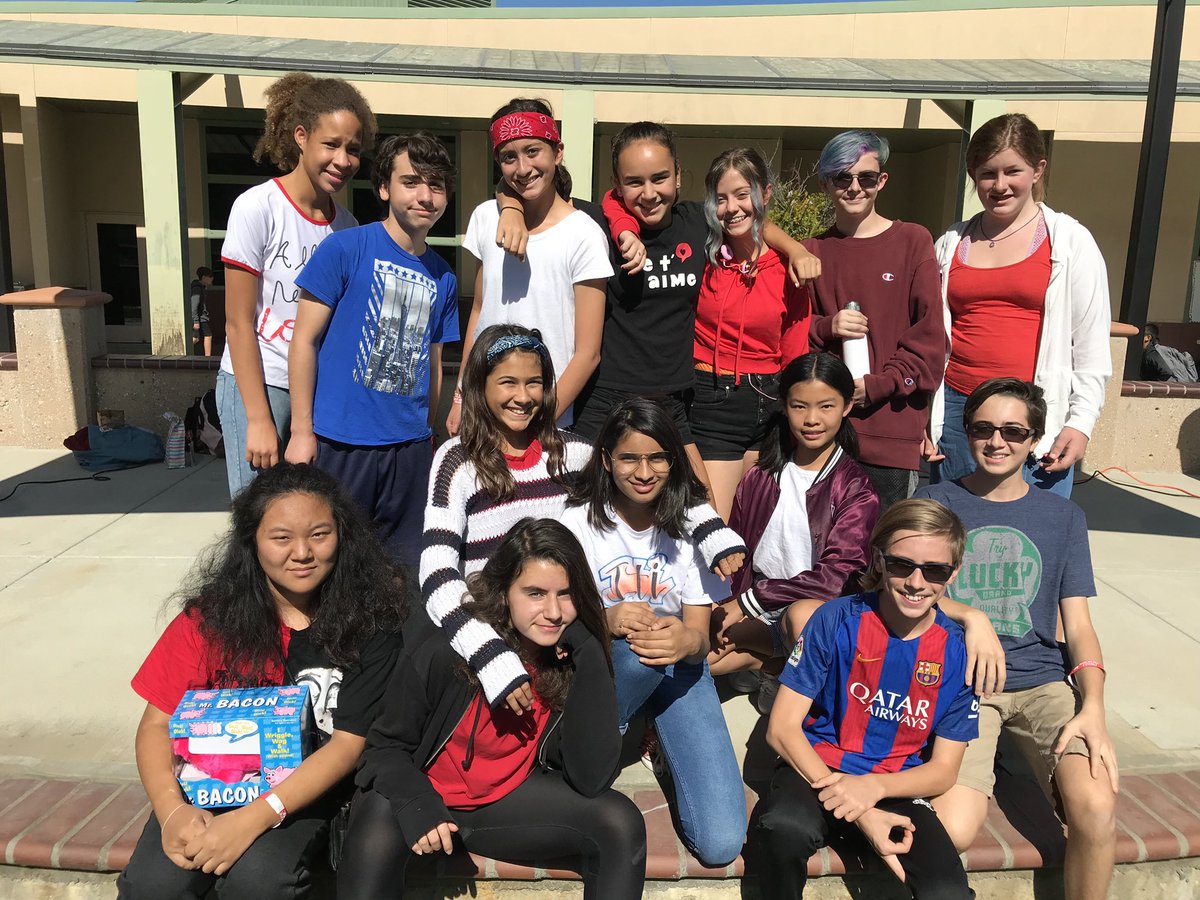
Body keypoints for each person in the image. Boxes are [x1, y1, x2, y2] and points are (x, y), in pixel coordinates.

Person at [116, 463, 407, 899]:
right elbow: (157, 724)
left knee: (258, 880)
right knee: (153, 884)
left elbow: (348, 744)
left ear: (342, 534)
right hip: (204, 787)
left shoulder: (370, 622)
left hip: (304, 793)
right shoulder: (208, 620)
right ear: (251, 540)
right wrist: (171, 810)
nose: (302, 552)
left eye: (320, 534)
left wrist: (253, 818)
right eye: (281, 538)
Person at [421, 324, 746, 712]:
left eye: (534, 383)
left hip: (556, 628)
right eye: (508, 382)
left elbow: (647, 481)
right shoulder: (456, 461)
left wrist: (710, 529)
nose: (523, 397)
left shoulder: (570, 453)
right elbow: (436, 573)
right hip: (490, 633)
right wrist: (489, 653)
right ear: (479, 386)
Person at [339, 519, 646, 899]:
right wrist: (418, 805)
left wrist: (589, 651)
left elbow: (591, 779)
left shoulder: (567, 659)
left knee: (620, 821)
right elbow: (384, 749)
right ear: (504, 594)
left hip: (503, 802)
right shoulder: (448, 650)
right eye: (535, 593)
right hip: (420, 795)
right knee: (375, 814)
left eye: (565, 594)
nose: (553, 611)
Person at [916, 378, 1117, 900]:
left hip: (1043, 684)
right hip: (964, 686)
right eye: (983, 428)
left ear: (1034, 439)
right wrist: (971, 616)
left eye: (1013, 431)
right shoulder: (937, 501)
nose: (996, 441)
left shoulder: (1063, 517)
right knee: (953, 830)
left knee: (1096, 808)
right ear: (966, 432)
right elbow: (900, 589)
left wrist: (1093, 707)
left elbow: (1078, 625)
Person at [748, 499, 979, 899]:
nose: (916, 582)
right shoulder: (835, 620)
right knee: (782, 830)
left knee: (947, 891)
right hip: (816, 769)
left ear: (954, 572)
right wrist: (862, 811)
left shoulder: (959, 652)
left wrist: (872, 790)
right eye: (901, 565)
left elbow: (943, 770)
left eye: (935, 570)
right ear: (879, 559)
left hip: (894, 784)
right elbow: (782, 729)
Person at [571, 123, 820, 487]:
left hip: (672, 399)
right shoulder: (598, 227)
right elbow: (561, 198)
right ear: (617, 184)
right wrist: (623, 228)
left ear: (678, 176)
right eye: (634, 182)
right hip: (606, 396)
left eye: (660, 178)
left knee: (698, 506)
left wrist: (795, 248)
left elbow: (747, 218)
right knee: (577, 496)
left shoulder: (697, 223)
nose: (649, 193)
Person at [560, 397, 746, 867]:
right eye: (629, 458)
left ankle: (659, 738)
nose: (644, 472)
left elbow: (700, 636)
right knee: (634, 659)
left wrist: (689, 641)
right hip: (609, 665)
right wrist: (605, 619)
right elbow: (554, 617)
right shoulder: (576, 522)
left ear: (673, 459)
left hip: (679, 669)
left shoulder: (694, 528)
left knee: (721, 844)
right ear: (607, 459)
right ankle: (594, 745)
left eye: (657, 458)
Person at [287, 133, 459, 569]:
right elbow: (303, 341)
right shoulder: (344, 248)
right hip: (341, 444)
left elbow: (433, 361)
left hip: (410, 450)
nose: (425, 196)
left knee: (402, 568)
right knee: (334, 565)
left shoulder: (444, 276)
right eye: (411, 182)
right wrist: (301, 431)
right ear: (384, 188)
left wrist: (427, 433)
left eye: (436, 185)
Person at [929, 113, 1111, 498]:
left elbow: (1091, 345)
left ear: (1038, 170)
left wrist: (1080, 423)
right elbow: (929, 335)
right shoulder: (950, 242)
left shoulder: (1071, 242)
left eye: (1013, 171)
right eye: (987, 173)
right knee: (954, 527)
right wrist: (924, 416)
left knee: (1033, 529)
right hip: (961, 414)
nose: (1000, 185)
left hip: (1035, 414)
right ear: (972, 174)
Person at [218, 73, 375, 499]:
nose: (343, 160)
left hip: (315, 395)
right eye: (331, 144)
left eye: (353, 149)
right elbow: (237, 323)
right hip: (260, 384)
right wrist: (258, 418)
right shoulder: (257, 207)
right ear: (301, 137)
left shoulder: (348, 228)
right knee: (259, 515)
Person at [709, 352, 879, 677]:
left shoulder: (856, 488)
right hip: (762, 608)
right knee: (700, 654)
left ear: (846, 406)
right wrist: (726, 604)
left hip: (817, 611)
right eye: (799, 406)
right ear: (784, 406)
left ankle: (793, 680)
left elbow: (836, 577)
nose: (811, 419)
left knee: (802, 619)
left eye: (826, 406)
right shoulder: (761, 476)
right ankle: (773, 666)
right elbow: (738, 554)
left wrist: (749, 602)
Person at [449, 97, 612, 433]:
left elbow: (588, 353)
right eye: (509, 157)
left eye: (533, 151)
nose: (523, 169)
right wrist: (461, 396)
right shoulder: (486, 217)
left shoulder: (584, 234)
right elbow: (479, 310)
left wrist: (541, 423)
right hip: (482, 412)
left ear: (558, 152)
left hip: (545, 418)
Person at [805, 130, 946, 510]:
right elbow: (789, 334)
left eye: (865, 178)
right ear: (825, 183)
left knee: (887, 544)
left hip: (890, 438)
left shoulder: (913, 241)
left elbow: (930, 342)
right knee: (823, 544)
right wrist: (826, 326)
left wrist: (879, 385)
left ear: (882, 181)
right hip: (825, 437)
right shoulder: (811, 252)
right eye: (842, 177)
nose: (855, 188)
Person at [691, 147, 812, 520]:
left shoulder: (788, 266)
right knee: (715, 525)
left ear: (766, 193)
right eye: (721, 198)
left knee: (758, 526)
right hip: (715, 400)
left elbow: (795, 347)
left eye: (742, 194)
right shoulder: (702, 255)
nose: (732, 208)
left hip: (770, 403)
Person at [190, 267, 214, 357]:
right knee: (207, 335)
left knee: (196, 338)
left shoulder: (201, 288)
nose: (212, 279)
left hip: (200, 317)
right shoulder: (197, 288)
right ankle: (208, 357)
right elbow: (194, 305)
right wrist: (196, 321)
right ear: (203, 277)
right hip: (200, 317)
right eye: (210, 277)